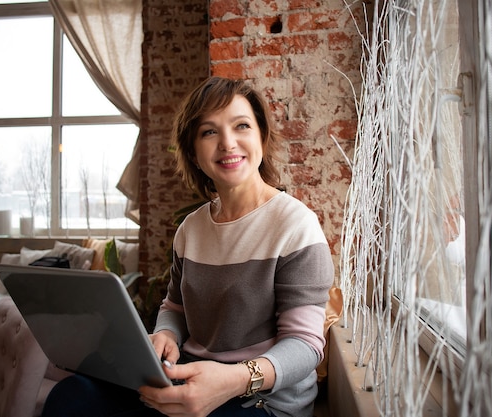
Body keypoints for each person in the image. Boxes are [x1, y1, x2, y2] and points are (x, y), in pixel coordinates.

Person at [42, 76, 335, 417]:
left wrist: (234, 379)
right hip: (188, 378)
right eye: (209, 132)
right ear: (194, 153)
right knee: (71, 396)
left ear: (262, 137)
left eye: (241, 126)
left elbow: (305, 345)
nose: (228, 143)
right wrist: (165, 333)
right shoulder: (190, 230)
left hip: (262, 401)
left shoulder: (295, 225)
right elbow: (175, 307)